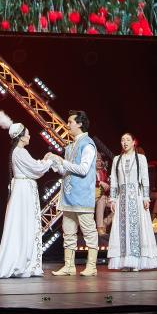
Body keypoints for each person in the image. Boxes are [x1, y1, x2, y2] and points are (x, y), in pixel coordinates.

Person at [0, 112, 55, 279]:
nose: (29, 136)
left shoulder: (18, 152)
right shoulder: (20, 152)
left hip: (23, 189)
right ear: (22, 137)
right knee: (24, 224)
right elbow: (36, 169)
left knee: (21, 224)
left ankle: (23, 260)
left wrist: (43, 162)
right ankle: (22, 262)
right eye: (28, 133)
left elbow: (32, 166)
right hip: (24, 191)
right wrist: (49, 161)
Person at [46, 110, 99, 276]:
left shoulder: (88, 144)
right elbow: (65, 171)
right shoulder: (70, 146)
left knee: (89, 232)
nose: (67, 125)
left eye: (70, 122)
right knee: (68, 233)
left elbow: (83, 169)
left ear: (80, 124)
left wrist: (62, 161)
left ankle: (92, 266)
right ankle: (69, 266)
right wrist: (55, 162)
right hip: (69, 196)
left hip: (82, 196)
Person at [107, 132, 157, 270]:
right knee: (123, 229)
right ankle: (125, 261)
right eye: (122, 140)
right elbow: (114, 179)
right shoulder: (117, 159)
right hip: (122, 198)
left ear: (133, 142)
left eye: (127, 140)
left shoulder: (140, 158)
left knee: (137, 228)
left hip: (136, 197)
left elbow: (145, 178)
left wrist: (146, 197)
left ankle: (137, 262)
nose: (124, 142)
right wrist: (112, 199)